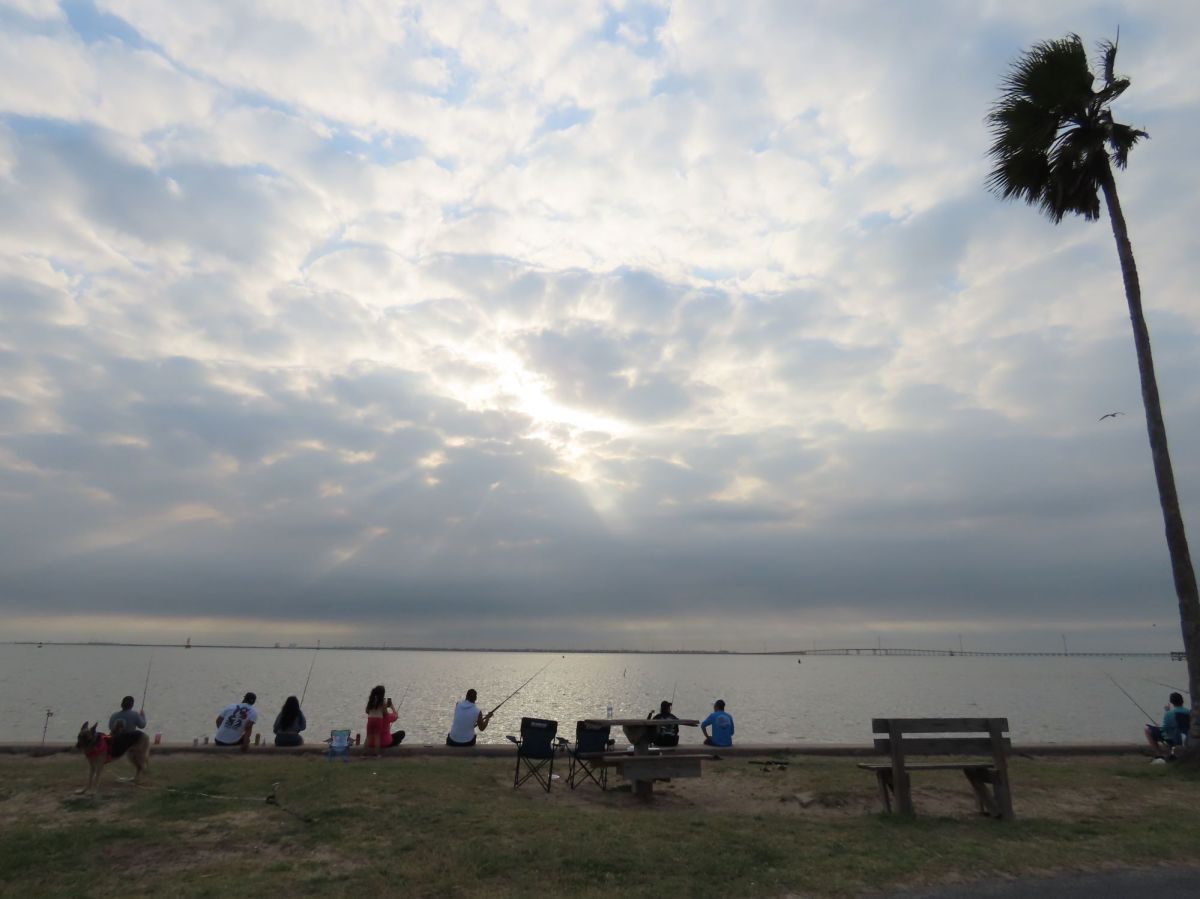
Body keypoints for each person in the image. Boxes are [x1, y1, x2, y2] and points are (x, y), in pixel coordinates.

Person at [1145, 692, 1188, 760]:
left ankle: (1159, 754)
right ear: (1182, 701)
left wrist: (1159, 726)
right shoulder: (1188, 712)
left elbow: (1165, 729)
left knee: (1147, 729)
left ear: (1171, 702)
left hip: (1173, 738)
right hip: (1186, 737)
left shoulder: (1169, 714)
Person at [365, 685, 405, 756]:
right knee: (401, 733)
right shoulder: (386, 716)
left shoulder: (372, 707)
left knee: (369, 736)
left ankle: (363, 754)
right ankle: (377, 754)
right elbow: (395, 716)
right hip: (385, 742)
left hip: (371, 743)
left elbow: (367, 711)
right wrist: (392, 707)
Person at [108, 695, 147, 760]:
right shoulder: (135, 715)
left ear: (122, 704)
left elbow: (110, 727)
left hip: (115, 742)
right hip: (129, 741)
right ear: (132, 705)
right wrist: (142, 716)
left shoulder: (114, 715)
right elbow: (142, 725)